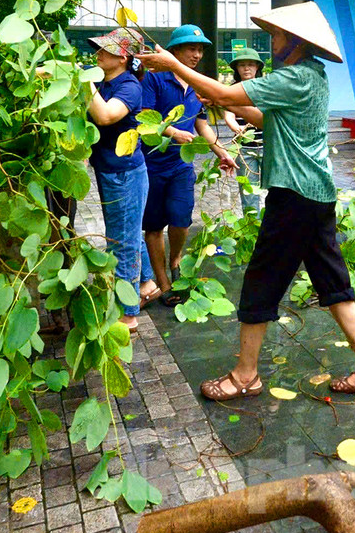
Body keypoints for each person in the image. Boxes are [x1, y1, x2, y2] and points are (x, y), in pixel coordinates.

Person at [139, 2, 355, 400]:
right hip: (316, 194)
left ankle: (245, 375)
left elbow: (220, 89)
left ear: (295, 43)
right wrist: (224, 103)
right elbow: (268, 120)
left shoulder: (293, 78)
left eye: (275, 37)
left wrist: (175, 66)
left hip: (294, 196)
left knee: (261, 281)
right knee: (331, 280)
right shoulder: (313, 76)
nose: (271, 44)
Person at [141, 23, 236, 306]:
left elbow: (202, 123)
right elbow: (144, 118)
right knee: (155, 225)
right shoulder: (155, 78)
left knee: (181, 219)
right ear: (175, 51)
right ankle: (165, 282)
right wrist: (172, 132)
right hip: (151, 164)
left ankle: (176, 259)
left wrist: (221, 151)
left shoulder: (197, 82)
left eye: (200, 50)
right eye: (191, 49)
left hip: (182, 165)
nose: (197, 55)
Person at [84, 28, 161, 330]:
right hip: (110, 170)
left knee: (122, 241)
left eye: (106, 50)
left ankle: (128, 314)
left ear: (124, 57)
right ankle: (146, 285)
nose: (98, 53)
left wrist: (82, 83)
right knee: (126, 231)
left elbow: (105, 117)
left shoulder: (128, 86)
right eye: (99, 48)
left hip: (125, 174)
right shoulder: (105, 83)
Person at [222, 47, 265, 213]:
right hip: (245, 148)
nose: (246, 68)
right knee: (248, 192)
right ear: (236, 69)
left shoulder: (265, 87)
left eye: (250, 64)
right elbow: (229, 116)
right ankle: (252, 228)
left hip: (269, 145)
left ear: (257, 67)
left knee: (277, 190)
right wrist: (237, 128)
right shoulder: (231, 90)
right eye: (242, 65)